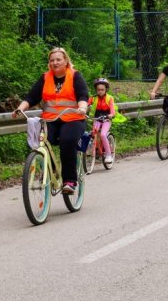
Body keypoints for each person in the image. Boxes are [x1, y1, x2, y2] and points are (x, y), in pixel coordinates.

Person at [13, 47, 89, 195]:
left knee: (67, 140)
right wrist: (20, 108)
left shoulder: (75, 76)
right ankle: (50, 169)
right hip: (51, 119)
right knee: (40, 139)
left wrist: (82, 107)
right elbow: (32, 97)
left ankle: (70, 181)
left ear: (66, 61)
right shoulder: (45, 78)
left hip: (73, 118)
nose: (55, 63)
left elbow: (83, 95)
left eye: (58, 59)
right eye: (52, 60)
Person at [88, 77, 116, 165]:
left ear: (106, 89)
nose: (100, 91)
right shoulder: (93, 98)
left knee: (103, 134)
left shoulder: (109, 98)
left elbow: (112, 111)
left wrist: (111, 115)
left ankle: (108, 155)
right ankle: (93, 150)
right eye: (98, 89)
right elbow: (85, 105)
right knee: (93, 134)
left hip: (106, 119)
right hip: (97, 119)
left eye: (102, 89)